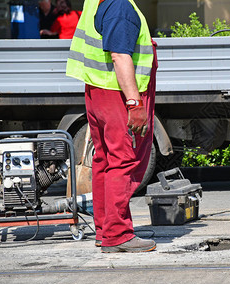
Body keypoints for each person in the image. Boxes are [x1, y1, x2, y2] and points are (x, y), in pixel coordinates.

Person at [66, 0, 157, 252]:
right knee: (123, 160)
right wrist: (134, 103)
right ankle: (118, 235)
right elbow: (119, 55)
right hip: (117, 94)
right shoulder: (120, 6)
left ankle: (105, 231)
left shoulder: (98, 2)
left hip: (98, 93)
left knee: (104, 160)